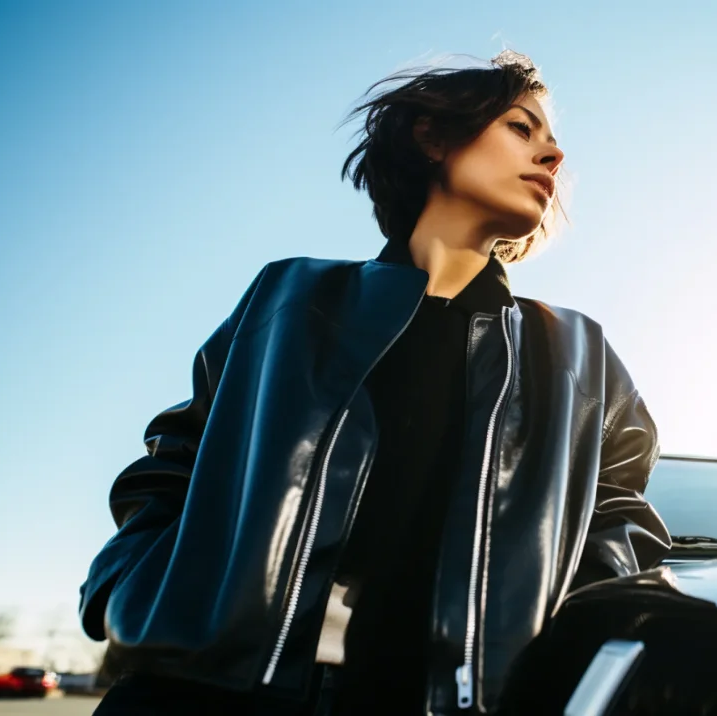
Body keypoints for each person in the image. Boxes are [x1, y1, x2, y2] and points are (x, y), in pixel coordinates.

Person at [80, 50, 670, 715]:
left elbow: (620, 528)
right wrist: (130, 587)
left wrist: (557, 666)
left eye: (552, 140)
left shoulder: (576, 354)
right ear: (432, 136)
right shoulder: (291, 301)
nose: (553, 156)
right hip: (202, 696)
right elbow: (168, 468)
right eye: (521, 127)